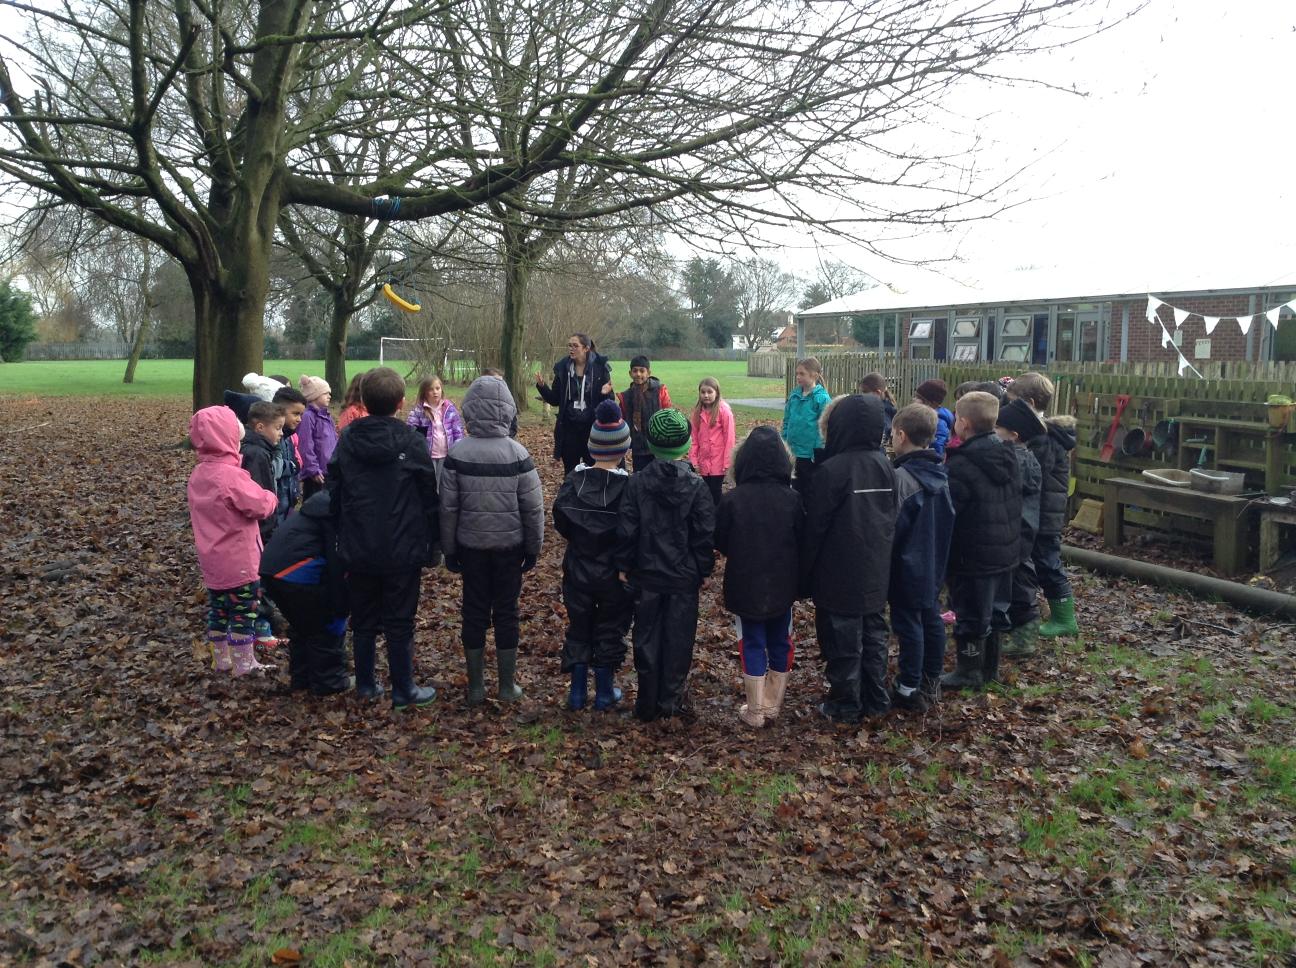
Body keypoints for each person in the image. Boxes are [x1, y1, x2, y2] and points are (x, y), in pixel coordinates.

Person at [327, 367, 440, 710]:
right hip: (397, 546)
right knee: (397, 619)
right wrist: (433, 543)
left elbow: (335, 491)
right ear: (401, 402)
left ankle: (370, 684)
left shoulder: (352, 439)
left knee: (365, 618)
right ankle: (399, 688)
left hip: (367, 543)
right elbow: (430, 497)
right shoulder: (405, 441)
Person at [441, 376, 545, 707]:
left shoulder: (457, 453)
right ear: (507, 410)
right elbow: (533, 509)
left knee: (473, 610)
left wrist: (449, 549)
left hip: (470, 547)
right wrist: (533, 548)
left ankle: (476, 687)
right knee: (506, 611)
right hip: (509, 548)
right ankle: (506, 685)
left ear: (470, 409)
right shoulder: (518, 453)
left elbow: (448, 508)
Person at [802, 394, 897, 723]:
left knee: (842, 640)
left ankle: (846, 702)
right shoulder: (885, 466)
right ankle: (875, 696)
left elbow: (815, 526)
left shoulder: (832, 471)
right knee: (873, 634)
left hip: (839, 570)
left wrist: (806, 572)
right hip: (875, 567)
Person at [616, 408, 715, 722]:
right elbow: (704, 533)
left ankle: (649, 702)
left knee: (646, 636)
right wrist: (703, 569)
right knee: (678, 637)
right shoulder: (696, 486)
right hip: (678, 576)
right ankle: (667, 700)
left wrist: (624, 564)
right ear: (686, 445)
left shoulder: (638, 483)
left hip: (650, 574)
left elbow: (627, 528)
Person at [714, 426, 803, 728]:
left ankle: (756, 710)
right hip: (783, 582)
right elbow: (802, 539)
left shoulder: (732, 500)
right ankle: (771, 705)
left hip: (745, 581)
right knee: (781, 640)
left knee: (751, 641)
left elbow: (721, 540)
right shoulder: (793, 500)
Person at [552, 400, 634, 711]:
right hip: (613, 573)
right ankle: (604, 692)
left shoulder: (574, 481)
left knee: (579, 625)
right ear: (624, 449)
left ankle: (577, 693)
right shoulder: (629, 488)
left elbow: (561, 518)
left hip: (579, 568)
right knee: (610, 627)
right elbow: (632, 530)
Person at [186, 406, 279, 677]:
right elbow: (259, 505)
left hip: (212, 559)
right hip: (239, 559)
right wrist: (271, 497)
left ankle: (221, 658)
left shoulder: (199, 474)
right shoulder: (230, 476)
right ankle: (243, 662)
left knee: (218, 610)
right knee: (243, 611)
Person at [941, 391, 1022, 692]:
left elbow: (951, 510)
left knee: (971, 612)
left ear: (963, 423)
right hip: (1004, 550)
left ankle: (969, 670)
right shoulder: (1008, 455)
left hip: (972, 554)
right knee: (996, 609)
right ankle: (990, 668)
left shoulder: (962, 465)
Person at [887, 404, 955, 712]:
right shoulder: (941, 473)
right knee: (931, 618)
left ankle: (909, 687)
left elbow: (893, 524)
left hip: (906, 564)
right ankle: (931, 677)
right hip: (934, 560)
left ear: (901, 435)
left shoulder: (902, 479)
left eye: (892, 433)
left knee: (909, 625)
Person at [1009, 372, 1081, 641]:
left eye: (1013, 402)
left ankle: (1065, 618)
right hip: (1039, 511)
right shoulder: (1040, 433)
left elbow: (1034, 473)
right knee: (1040, 561)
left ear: (1028, 403)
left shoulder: (1044, 438)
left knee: (1048, 563)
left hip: (1044, 514)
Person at [259, 492, 351, 696]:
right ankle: (330, 682)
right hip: (295, 573)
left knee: (303, 626)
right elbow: (337, 567)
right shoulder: (335, 518)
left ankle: (302, 678)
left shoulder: (316, 510)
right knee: (324, 626)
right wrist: (340, 608)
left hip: (271, 570)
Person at [994, 398, 1045, 668]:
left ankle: (1025, 637)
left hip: (1018, 530)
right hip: (1018, 528)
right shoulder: (1020, 457)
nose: (994, 432)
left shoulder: (1017, 460)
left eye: (998, 428)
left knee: (1021, 583)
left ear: (1013, 434)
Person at [534, 333, 614, 473]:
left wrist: (605, 393)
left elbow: (608, 404)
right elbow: (555, 400)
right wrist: (542, 386)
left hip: (592, 429)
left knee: (593, 472)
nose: (571, 349)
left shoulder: (600, 368)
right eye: (569, 345)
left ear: (586, 348)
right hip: (569, 429)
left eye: (575, 346)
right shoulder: (563, 368)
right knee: (571, 472)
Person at [782, 357, 831, 497]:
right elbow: (787, 420)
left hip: (809, 456)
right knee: (792, 489)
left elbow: (824, 428)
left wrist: (817, 452)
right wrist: (783, 442)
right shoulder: (794, 396)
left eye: (802, 373)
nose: (798, 377)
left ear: (814, 375)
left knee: (808, 491)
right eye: (797, 373)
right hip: (792, 453)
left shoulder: (822, 399)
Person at [239, 401, 286, 544]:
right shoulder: (257, 454)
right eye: (278, 428)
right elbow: (261, 491)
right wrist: (269, 532)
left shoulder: (258, 450)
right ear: (260, 427)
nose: (282, 433)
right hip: (262, 531)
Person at [407, 375, 466, 486]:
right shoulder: (418, 410)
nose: (435, 392)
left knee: (444, 484)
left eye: (437, 388)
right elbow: (411, 432)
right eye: (431, 389)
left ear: (441, 389)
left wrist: (456, 452)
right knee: (430, 483)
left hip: (446, 455)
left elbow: (458, 432)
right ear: (425, 392)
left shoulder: (449, 408)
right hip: (428, 456)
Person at [617, 355, 672, 472]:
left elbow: (668, 414)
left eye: (642, 371)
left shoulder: (660, 391)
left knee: (660, 476)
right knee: (641, 477)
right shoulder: (626, 396)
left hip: (659, 446)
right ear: (630, 373)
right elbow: (622, 421)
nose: (638, 374)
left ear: (648, 373)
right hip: (638, 447)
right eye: (635, 371)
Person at [688, 377, 735, 507]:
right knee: (705, 491)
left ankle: (719, 515)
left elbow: (729, 438)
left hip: (718, 461)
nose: (706, 395)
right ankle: (708, 514)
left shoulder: (724, 411)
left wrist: (727, 462)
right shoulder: (697, 412)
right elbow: (694, 438)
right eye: (703, 392)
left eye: (710, 392)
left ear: (717, 393)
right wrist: (694, 459)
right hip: (704, 461)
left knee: (715, 491)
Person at [297, 375, 337, 500]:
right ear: (314, 396)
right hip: (316, 474)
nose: (329, 396)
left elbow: (334, 441)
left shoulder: (327, 417)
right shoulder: (308, 417)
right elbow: (305, 445)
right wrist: (313, 469)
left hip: (328, 471)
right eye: (325, 393)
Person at [271, 386, 306, 524]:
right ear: (279, 411)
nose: (299, 419)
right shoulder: (273, 438)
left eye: (301, 415)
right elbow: (273, 467)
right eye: (295, 414)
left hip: (287, 503)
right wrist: (293, 466)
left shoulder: (289, 437)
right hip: (275, 507)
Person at [914, 379, 955, 457]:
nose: (914, 400)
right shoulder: (925, 416)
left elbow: (938, 445)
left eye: (918, 398)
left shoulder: (938, 421)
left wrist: (933, 459)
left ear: (931, 402)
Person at [858, 372, 896, 443]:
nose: (862, 396)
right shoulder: (889, 406)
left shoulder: (881, 410)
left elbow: (887, 429)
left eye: (865, 392)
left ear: (878, 393)